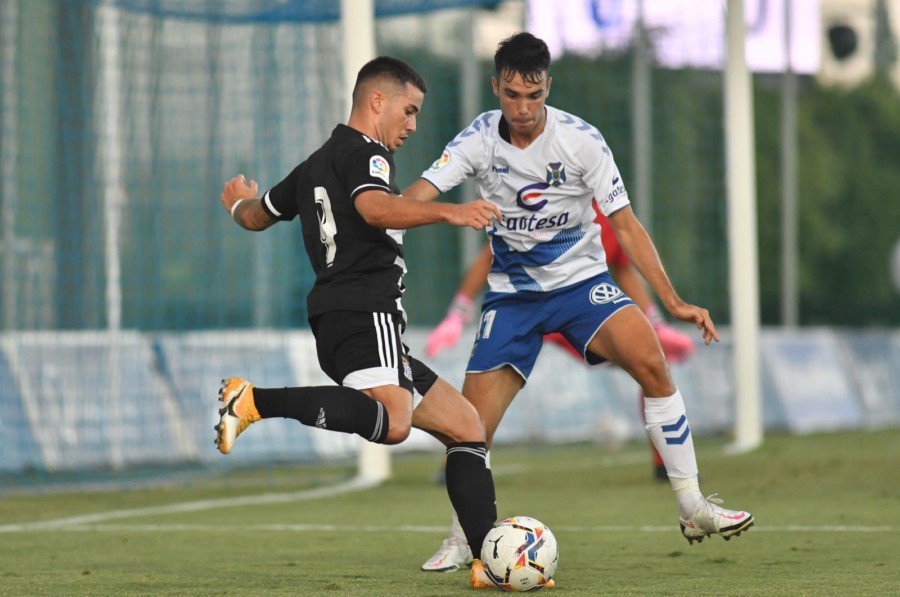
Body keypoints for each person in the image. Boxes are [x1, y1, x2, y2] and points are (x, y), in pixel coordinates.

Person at [400, 33, 753, 583]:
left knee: (652, 362)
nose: (523, 108)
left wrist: (674, 301)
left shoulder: (582, 142)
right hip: (512, 297)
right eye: (513, 95)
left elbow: (626, 225)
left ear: (547, 88)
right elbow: (416, 196)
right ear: (496, 87)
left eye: (534, 95)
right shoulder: (475, 141)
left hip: (582, 286)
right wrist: (396, 212)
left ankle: (692, 507)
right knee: (468, 427)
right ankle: (460, 539)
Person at [215, 56, 503, 588]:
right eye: (409, 111)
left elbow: (259, 215)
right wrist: (454, 212)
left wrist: (237, 205)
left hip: (344, 318)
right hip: (363, 312)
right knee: (393, 422)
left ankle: (490, 561)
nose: (412, 125)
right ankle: (253, 400)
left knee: (466, 428)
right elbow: (374, 208)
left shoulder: (315, 164)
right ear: (377, 101)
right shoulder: (368, 154)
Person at [425, 210, 695, 487]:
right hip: (524, 310)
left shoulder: (606, 210)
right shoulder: (542, 202)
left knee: (647, 361)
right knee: (487, 381)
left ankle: (666, 466)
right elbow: (488, 256)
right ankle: (456, 463)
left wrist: (656, 325)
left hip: (578, 314)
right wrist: (457, 314)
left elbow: (622, 267)